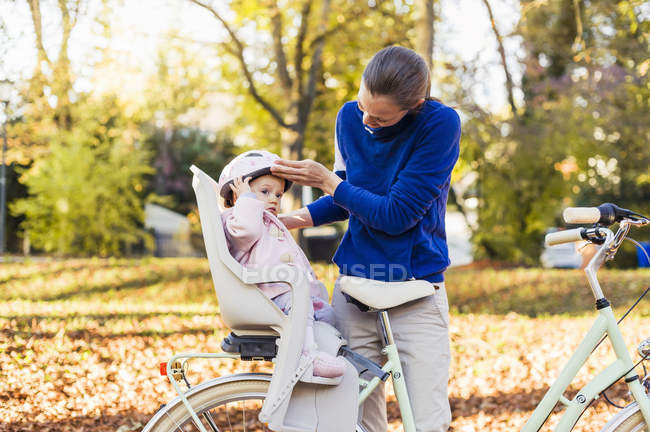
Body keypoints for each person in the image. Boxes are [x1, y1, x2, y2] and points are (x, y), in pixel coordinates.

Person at [271, 46, 461, 432]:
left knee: (427, 422)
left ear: (415, 105)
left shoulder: (439, 125)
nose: (367, 121)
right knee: (355, 421)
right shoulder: (348, 117)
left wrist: (328, 180)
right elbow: (350, 199)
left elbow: (396, 215)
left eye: (380, 117)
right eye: (362, 107)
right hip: (354, 292)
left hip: (416, 292)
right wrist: (287, 220)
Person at [218, 150, 346, 379]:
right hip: (266, 295)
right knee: (301, 305)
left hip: (287, 292)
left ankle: (327, 354)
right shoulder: (236, 219)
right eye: (264, 192)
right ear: (236, 197)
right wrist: (247, 201)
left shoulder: (267, 222)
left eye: (278, 194)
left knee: (328, 316)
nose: (273, 199)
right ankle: (307, 356)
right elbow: (247, 232)